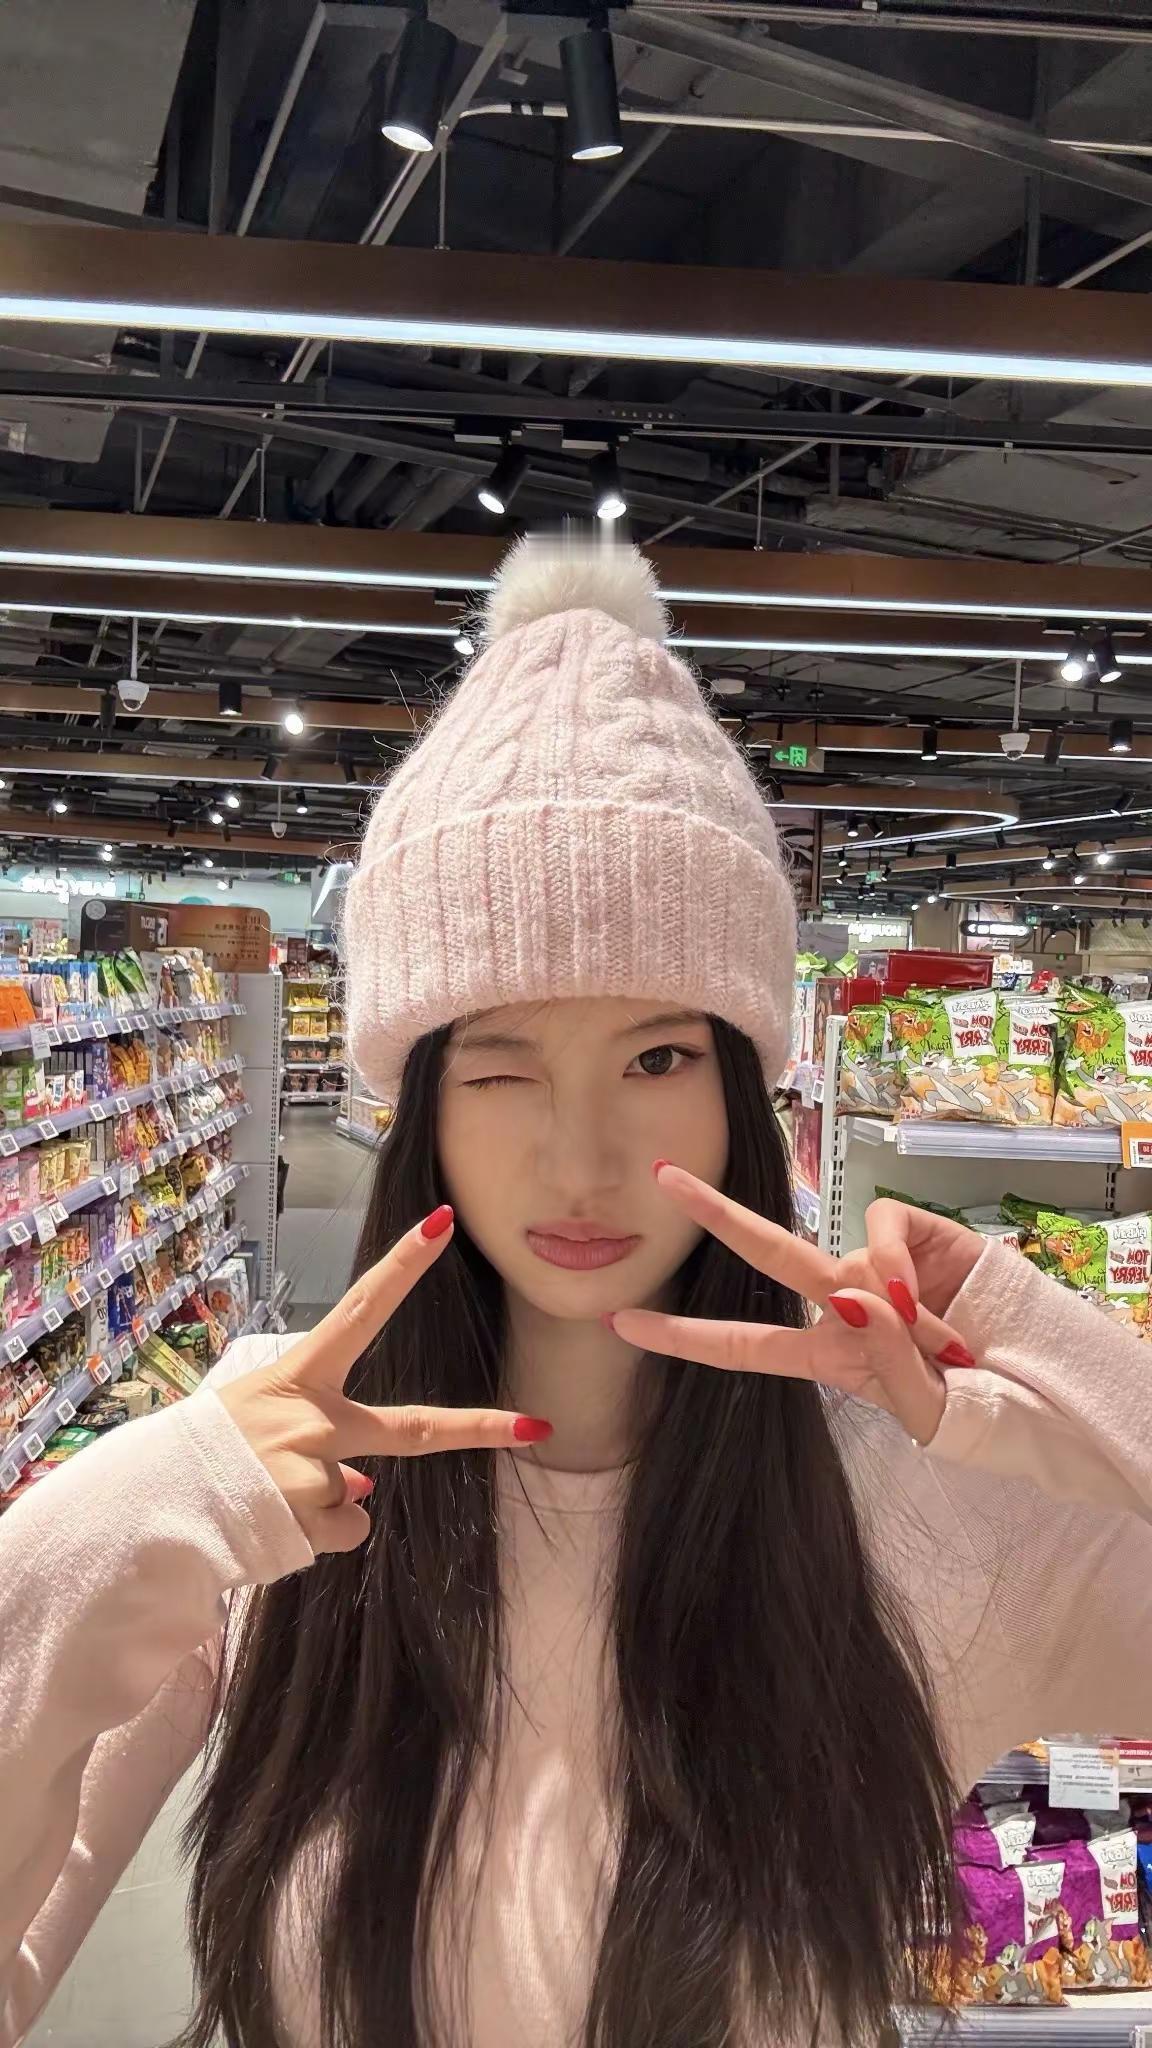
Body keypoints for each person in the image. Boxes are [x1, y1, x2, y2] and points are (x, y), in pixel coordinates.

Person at [2, 540, 1152, 2048]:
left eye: (658, 1057)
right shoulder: (274, 1488)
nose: (582, 1158)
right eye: (501, 1069)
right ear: (421, 1104)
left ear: (741, 1091)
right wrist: (99, 1530)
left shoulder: (926, 1500)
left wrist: (1057, 1380)